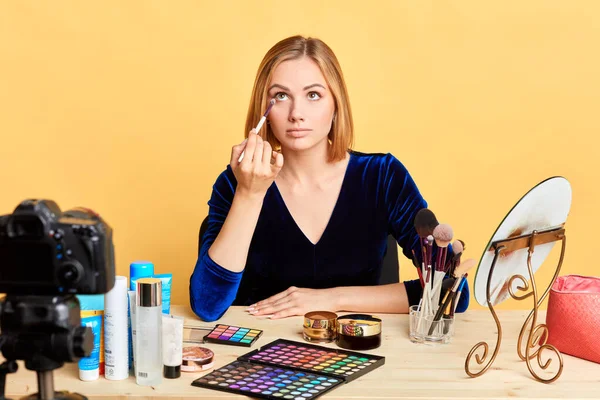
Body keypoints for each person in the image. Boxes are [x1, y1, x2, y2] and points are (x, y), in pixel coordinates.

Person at [189, 35, 469, 322]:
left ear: (336, 105)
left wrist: (331, 299)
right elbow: (207, 304)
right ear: (265, 111)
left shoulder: (382, 176)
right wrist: (249, 194)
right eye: (281, 96)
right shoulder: (236, 182)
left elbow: (452, 289)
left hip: (357, 347)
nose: (297, 114)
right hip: (263, 354)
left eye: (313, 95)